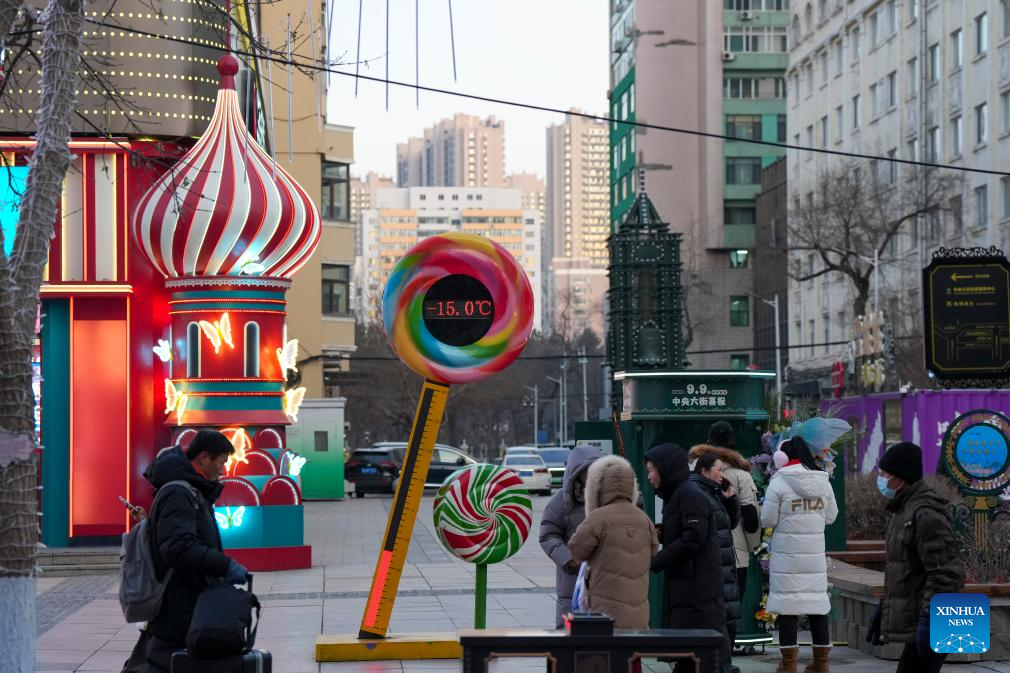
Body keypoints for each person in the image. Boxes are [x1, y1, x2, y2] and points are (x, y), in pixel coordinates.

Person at [144, 430, 248, 673]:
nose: (223, 469)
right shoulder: (179, 493)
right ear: (204, 458)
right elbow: (178, 546)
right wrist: (224, 565)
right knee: (170, 660)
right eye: (221, 461)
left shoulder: (192, 490)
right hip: (179, 602)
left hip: (188, 598)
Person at [865, 442, 964, 673]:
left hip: (936, 619)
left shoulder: (925, 513)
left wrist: (929, 619)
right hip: (921, 616)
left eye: (885, 474)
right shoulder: (904, 509)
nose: (881, 479)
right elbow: (904, 569)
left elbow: (946, 572)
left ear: (901, 478)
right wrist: (885, 607)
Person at [645, 442, 728, 673]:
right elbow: (682, 530)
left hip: (698, 592)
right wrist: (659, 532)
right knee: (689, 658)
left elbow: (693, 537)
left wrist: (655, 561)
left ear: (666, 469)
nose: (649, 476)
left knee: (699, 657)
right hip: (688, 590)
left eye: (651, 470)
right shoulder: (677, 494)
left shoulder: (690, 495)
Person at [761, 436, 838, 673]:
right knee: (817, 606)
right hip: (813, 556)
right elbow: (831, 516)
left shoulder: (778, 482)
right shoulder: (823, 481)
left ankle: (789, 664)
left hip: (787, 556)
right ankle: (821, 664)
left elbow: (767, 520)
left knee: (788, 606)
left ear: (782, 457)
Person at [568, 455, 658, 629]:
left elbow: (576, 550)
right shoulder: (644, 519)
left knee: (608, 647)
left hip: (606, 615)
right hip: (638, 613)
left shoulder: (598, 518)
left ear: (599, 487)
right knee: (633, 646)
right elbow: (653, 551)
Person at [690, 420, 761, 596]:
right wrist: (750, 547)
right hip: (735, 555)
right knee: (732, 605)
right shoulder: (742, 475)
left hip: (699, 555)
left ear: (708, 442)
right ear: (732, 444)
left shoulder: (691, 470)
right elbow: (751, 519)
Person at [539, 443, 605, 627]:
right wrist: (568, 558)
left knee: (603, 630)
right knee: (569, 630)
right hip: (572, 579)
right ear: (577, 472)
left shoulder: (608, 497)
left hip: (604, 577)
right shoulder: (560, 501)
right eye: (587, 470)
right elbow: (548, 535)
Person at [691, 452, 741, 673]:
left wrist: (730, 499)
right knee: (720, 622)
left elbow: (728, 524)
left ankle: (724, 665)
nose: (722, 475)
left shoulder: (712, 492)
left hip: (724, 565)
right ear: (704, 471)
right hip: (714, 567)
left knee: (728, 620)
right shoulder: (699, 493)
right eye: (719, 470)